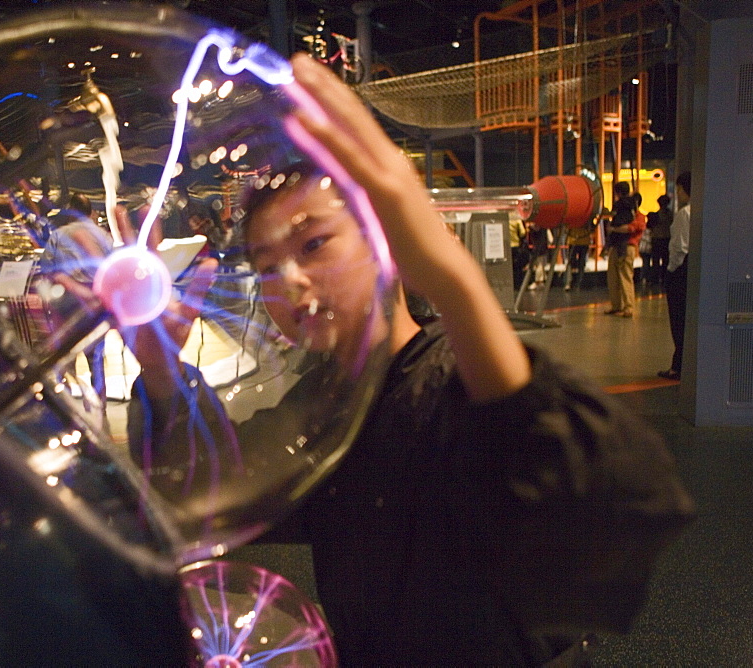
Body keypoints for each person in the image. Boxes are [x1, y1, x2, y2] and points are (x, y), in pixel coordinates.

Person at [124, 54, 694, 665]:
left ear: (385, 241)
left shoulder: (449, 383)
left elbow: (602, 494)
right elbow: (225, 484)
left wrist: (455, 284)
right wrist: (159, 366)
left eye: (314, 243)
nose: (288, 280)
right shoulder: (327, 405)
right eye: (266, 266)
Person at [40, 192, 113, 394]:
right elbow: (112, 267)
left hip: (66, 298)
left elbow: (46, 266)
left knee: (64, 351)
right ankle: (100, 399)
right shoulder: (103, 235)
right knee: (96, 353)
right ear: (90, 211)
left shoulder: (58, 234)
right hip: (94, 299)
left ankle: (66, 398)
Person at [659, 172, 691, 381]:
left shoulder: (684, 214)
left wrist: (670, 270)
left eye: (679, 189)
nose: (677, 193)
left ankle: (677, 366)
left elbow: (679, 248)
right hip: (693, 271)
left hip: (680, 273)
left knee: (678, 320)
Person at [604, 182, 645, 317]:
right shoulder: (631, 214)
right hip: (618, 246)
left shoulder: (639, 217)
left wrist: (614, 229)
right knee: (613, 277)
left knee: (625, 276)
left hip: (628, 246)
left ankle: (628, 307)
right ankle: (617, 305)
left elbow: (630, 228)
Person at [648, 194, 673, 287]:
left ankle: (655, 279)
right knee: (666, 260)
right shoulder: (671, 215)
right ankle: (664, 279)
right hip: (667, 239)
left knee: (655, 261)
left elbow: (650, 226)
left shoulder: (655, 215)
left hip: (657, 240)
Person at [564, 217, 594, 291]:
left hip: (580, 240)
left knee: (579, 263)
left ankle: (575, 283)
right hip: (575, 240)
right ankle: (572, 283)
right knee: (573, 262)